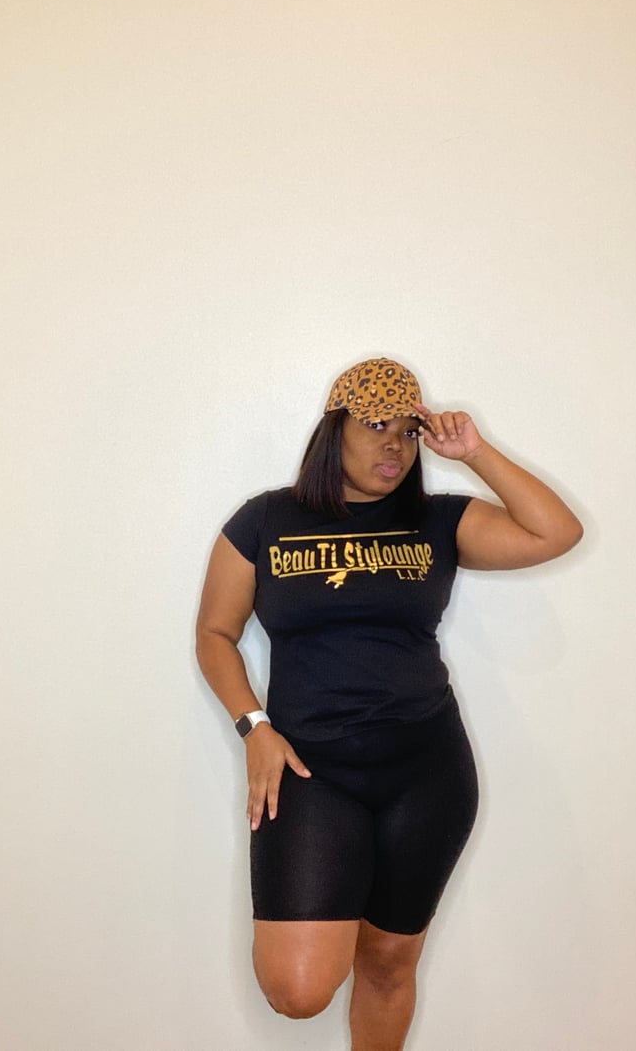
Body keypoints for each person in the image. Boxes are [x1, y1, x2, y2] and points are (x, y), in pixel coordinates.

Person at [195, 356, 582, 1051]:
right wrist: (254, 727)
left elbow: (556, 532)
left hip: (425, 771)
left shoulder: (438, 520)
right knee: (297, 990)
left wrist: (475, 451)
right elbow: (215, 634)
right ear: (335, 430)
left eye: (408, 431)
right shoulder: (266, 520)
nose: (395, 446)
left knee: (388, 963)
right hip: (309, 770)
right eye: (377, 427)